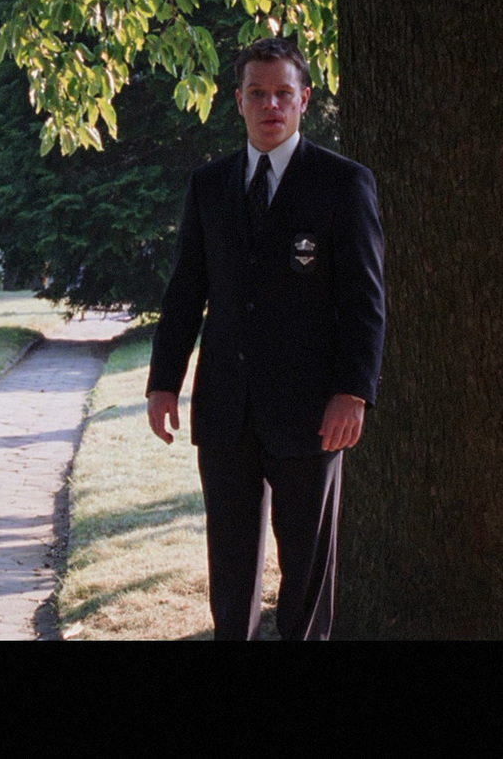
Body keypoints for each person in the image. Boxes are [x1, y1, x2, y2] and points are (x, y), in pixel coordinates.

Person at [145, 37, 385, 641]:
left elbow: (365, 300)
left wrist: (353, 392)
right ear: (239, 101)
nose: (270, 105)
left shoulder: (343, 183)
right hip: (226, 408)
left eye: (283, 93)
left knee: (305, 573)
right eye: (258, 93)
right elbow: (184, 293)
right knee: (229, 570)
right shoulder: (209, 186)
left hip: (312, 412)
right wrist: (163, 383)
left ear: (304, 100)